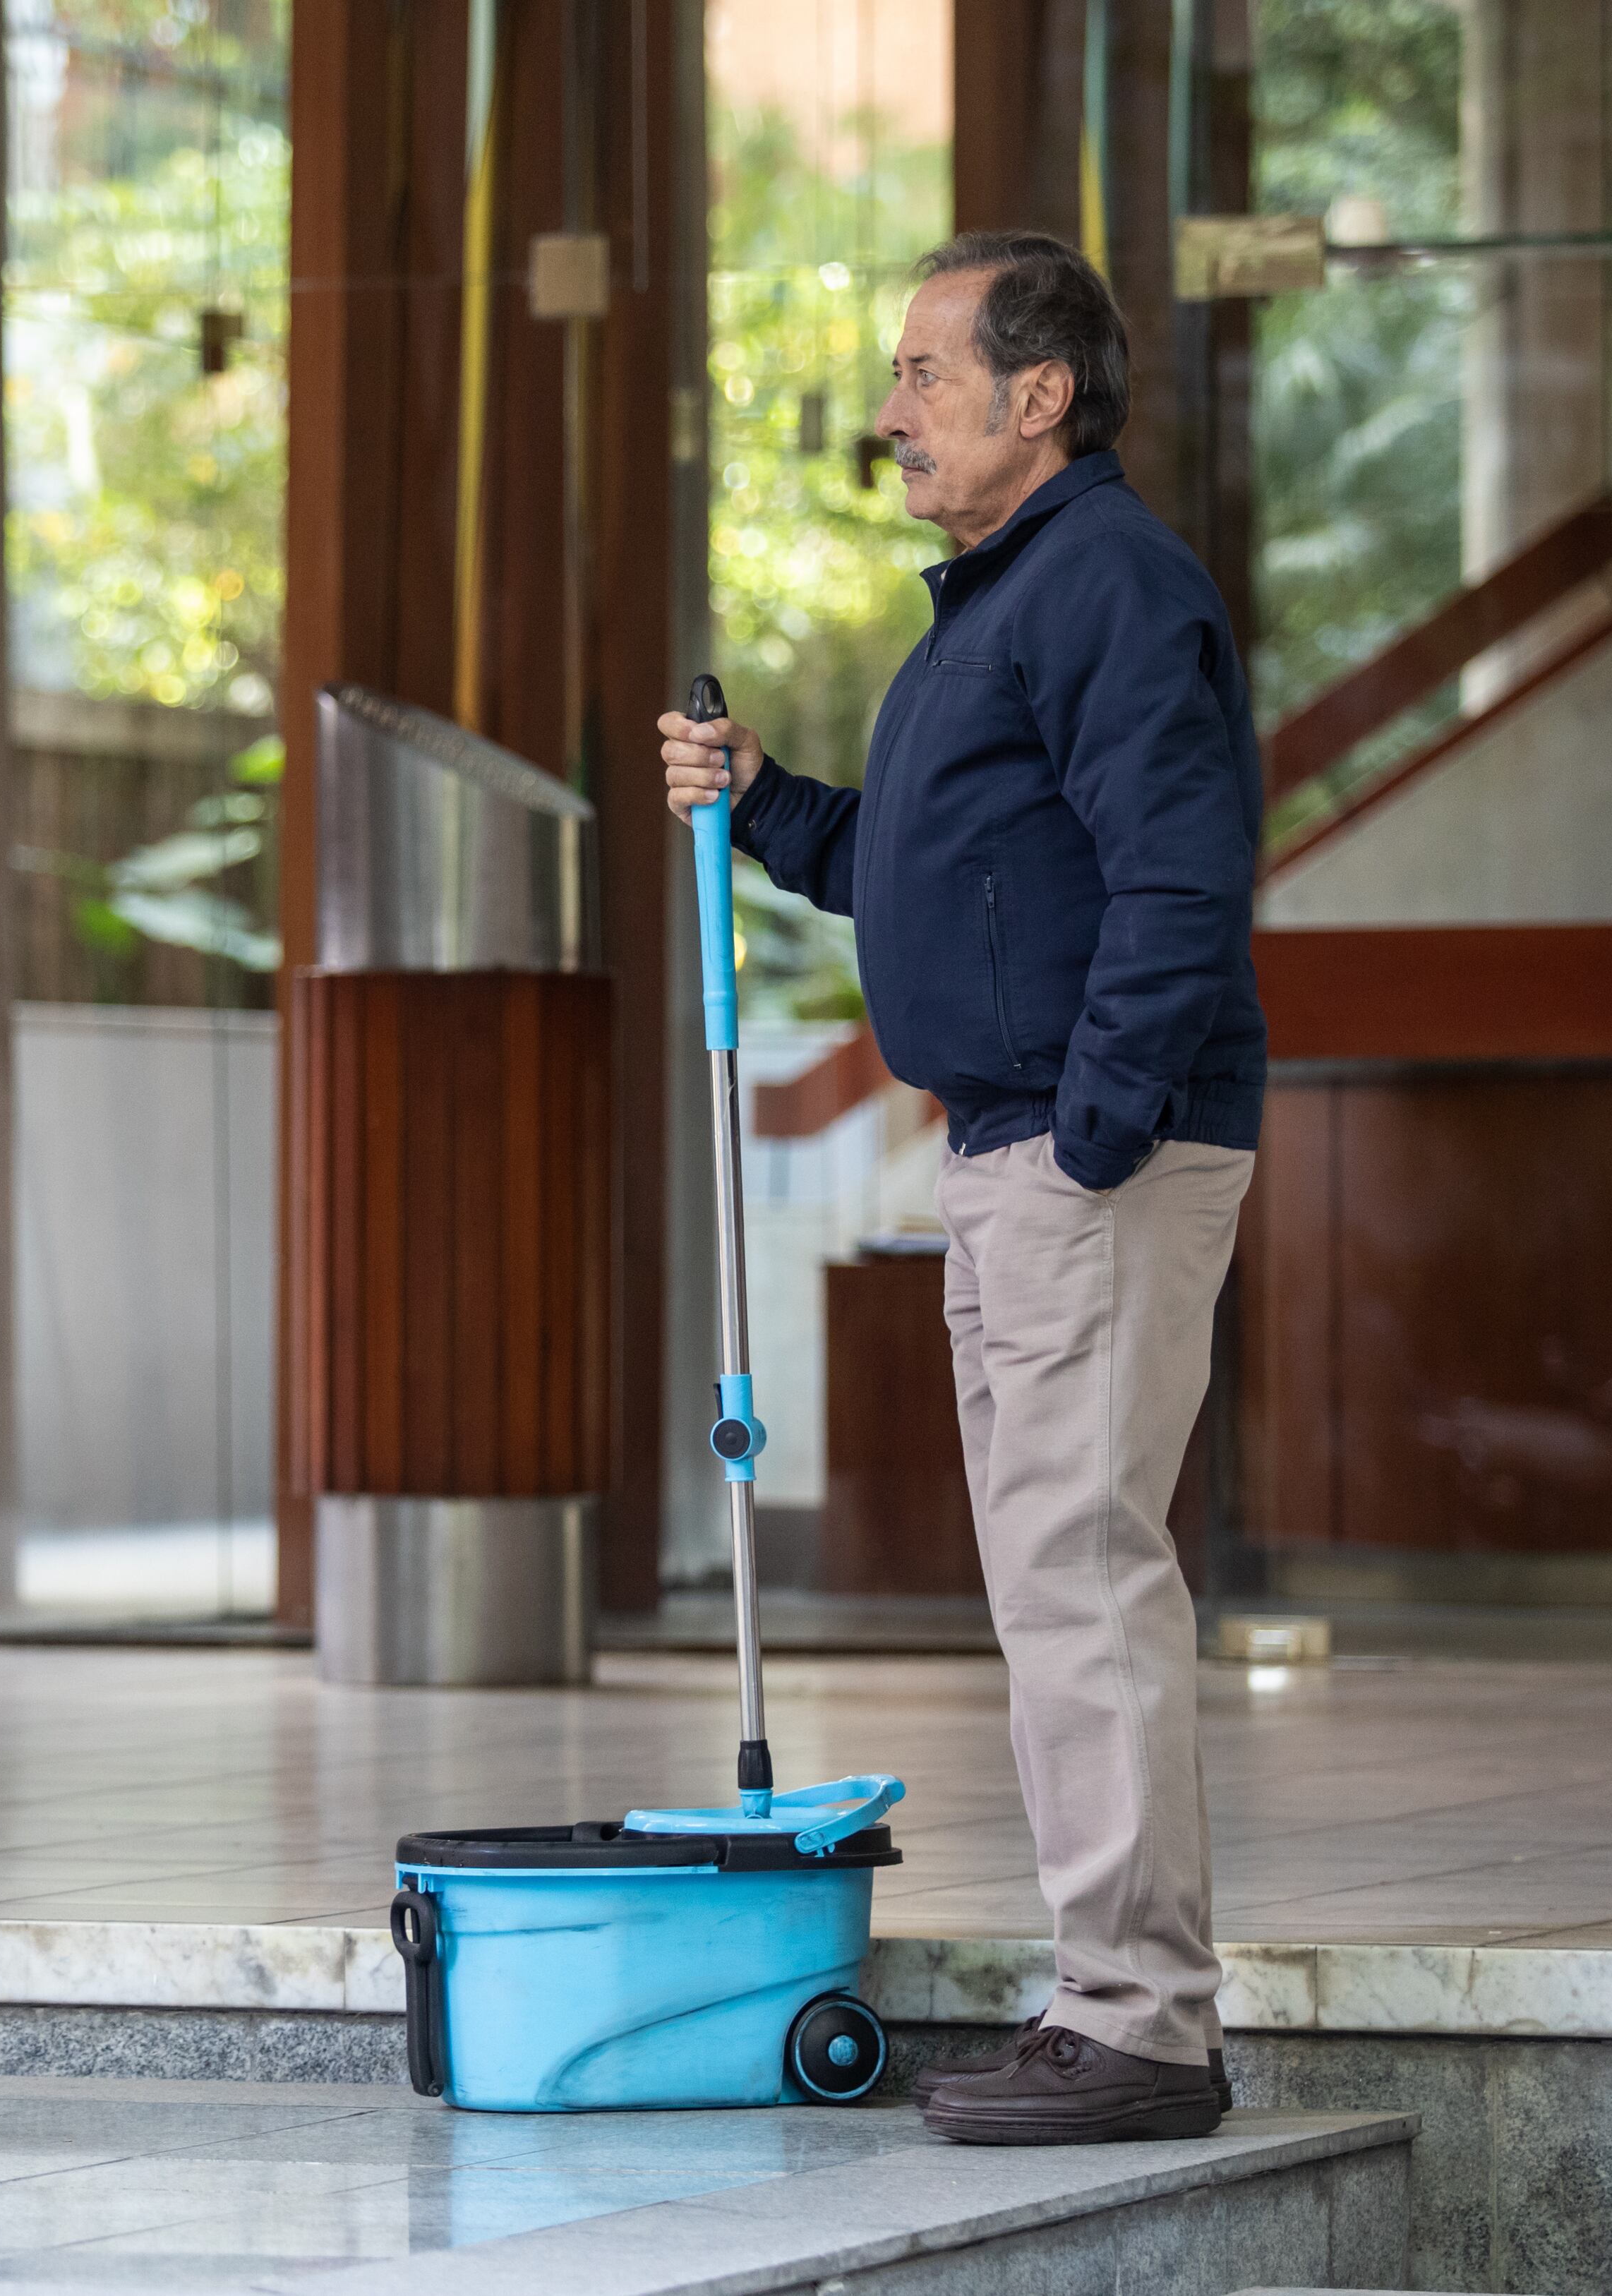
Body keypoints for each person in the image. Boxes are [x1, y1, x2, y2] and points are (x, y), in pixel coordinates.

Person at [661, 229, 1265, 2146]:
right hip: (1016, 1147)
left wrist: (1089, 1129)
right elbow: (936, 872)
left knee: (1083, 1580)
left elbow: (1179, 878)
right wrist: (764, 796)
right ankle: (1110, 1996)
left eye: (927, 372)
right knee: (1055, 1581)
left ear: (1041, 396)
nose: (890, 409)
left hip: (1089, 1155)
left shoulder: (1102, 586)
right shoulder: (991, 610)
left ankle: (1143, 2023)